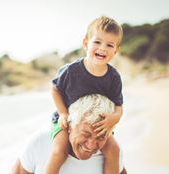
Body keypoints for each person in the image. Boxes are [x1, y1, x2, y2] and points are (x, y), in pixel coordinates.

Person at [46, 16, 124, 174]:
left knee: (114, 149)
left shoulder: (114, 78)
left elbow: (119, 106)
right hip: (68, 121)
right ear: (85, 43)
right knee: (59, 151)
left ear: (115, 51)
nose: (102, 48)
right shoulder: (71, 71)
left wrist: (113, 119)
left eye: (109, 45)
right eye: (97, 42)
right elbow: (55, 90)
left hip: (99, 125)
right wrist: (62, 113)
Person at [11, 94, 126, 174]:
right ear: (70, 124)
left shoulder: (111, 155)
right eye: (86, 134)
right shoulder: (40, 142)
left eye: (101, 136)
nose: (91, 145)